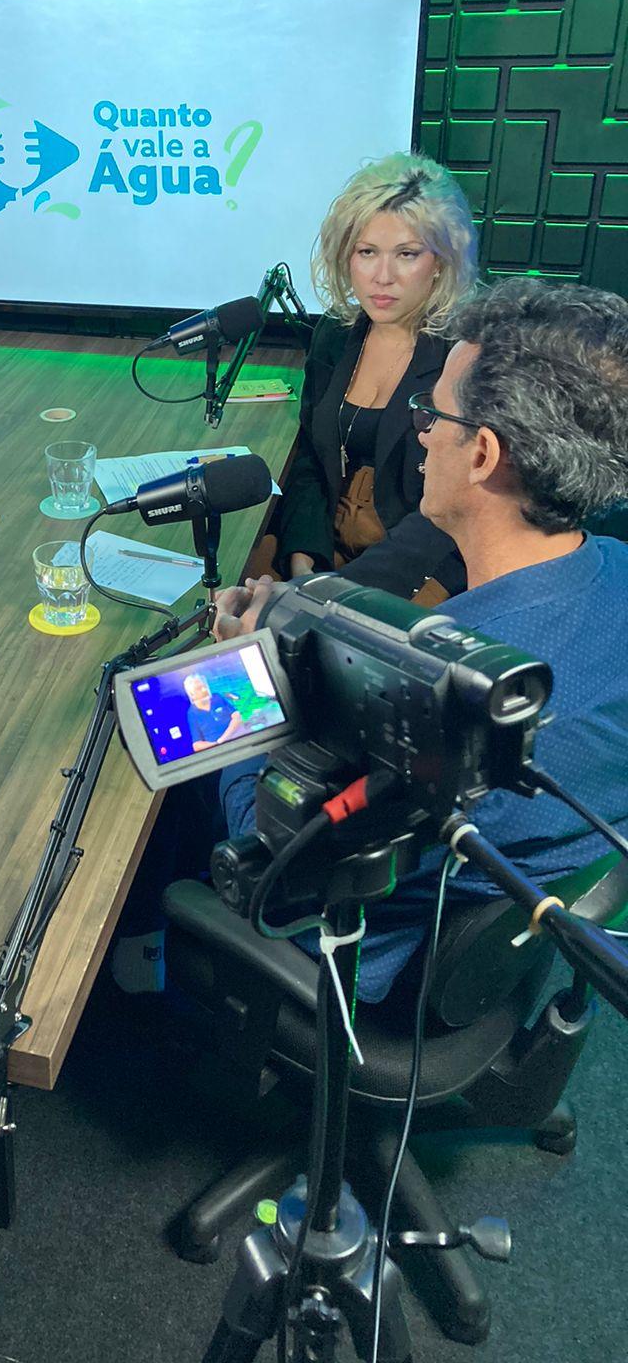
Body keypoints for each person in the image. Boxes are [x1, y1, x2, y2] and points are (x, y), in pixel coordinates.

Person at [212, 277, 628, 1003]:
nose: (422, 436)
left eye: (430, 414)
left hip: (358, 969)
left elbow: (273, 860)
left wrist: (249, 668)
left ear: (483, 454)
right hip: (506, 954)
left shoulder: (422, 703)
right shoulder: (617, 570)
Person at [261, 153, 478, 603]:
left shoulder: (465, 354)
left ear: (441, 260)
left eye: (407, 254)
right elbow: (310, 458)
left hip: (425, 568)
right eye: (367, 252)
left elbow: (462, 504)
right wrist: (304, 557)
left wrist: (342, 594)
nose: (383, 277)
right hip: (327, 550)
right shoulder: (334, 335)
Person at [184, 674, 243, 752]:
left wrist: (223, 739)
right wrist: (216, 745)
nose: (204, 689)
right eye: (199, 688)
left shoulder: (217, 697)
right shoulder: (192, 713)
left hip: (237, 740)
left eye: (204, 686)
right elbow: (197, 745)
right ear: (192, 694)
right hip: (218, 751)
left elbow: (237, 717)